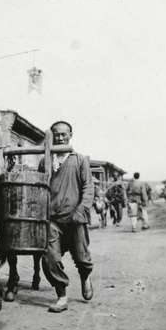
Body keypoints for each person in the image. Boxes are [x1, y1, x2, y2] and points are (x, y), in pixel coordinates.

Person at [38, 121, 94, 312]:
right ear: (51, 136)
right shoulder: (45, 161)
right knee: (49, 257)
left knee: (83, 259)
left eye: (64, 134)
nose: (60, 138)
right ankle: (61, 296)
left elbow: (88, 188)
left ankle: (85, 277)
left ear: (71, 135)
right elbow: (39, 189)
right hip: (52, 219)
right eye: (56, 134)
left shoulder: (79, 159)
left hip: (75, 218)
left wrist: (81, 210)